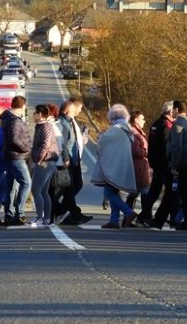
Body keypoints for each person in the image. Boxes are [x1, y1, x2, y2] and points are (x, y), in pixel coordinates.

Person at [92, 104, 137, 229]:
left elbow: (103, 142)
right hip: (121, 165)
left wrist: (100, 136)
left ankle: (128, 212)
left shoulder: (116, 129)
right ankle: (114, 220)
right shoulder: (125, 129)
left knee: (109, 193)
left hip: (113, 166)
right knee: (114, 192)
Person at [137, 102, 175, 229]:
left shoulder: (156, 123)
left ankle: (143, 216)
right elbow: (165, 147)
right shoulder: (166, 125)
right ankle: (168, 218)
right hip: (164, 165)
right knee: (169, 191)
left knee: (154, 191)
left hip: (156, 163)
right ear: (170, 112)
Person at [56, 96, 91, 225]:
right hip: (68, 160)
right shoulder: (63, 123)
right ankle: (72, 214)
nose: (78, 111)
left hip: (73, 158)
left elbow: (72, 140)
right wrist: (66, 159)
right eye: (78, 109)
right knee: (68, 189)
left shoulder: (70, 121)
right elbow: (63, 143)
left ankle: (65, 212)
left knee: (71, 188)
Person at [0, 95, 32, 225]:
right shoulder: (15, 120)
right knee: (26, 183)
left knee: (11, 187)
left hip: (9, 156)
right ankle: (20, 213)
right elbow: (14, 139)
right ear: (23, 106)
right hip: (16, 156)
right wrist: (26, 148)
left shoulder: (6, 118)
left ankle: (9, 214)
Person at [167, 100, 187, 231]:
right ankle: (186, 220)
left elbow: (176, 146)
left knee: (183, 193)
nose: (171, 112)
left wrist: (174, 165)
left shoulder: (178, 124)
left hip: (183, 162)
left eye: (172, 109)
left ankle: (186, 222)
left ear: (177, 110)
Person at [30, 104, 59, 227]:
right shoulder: (40, 126)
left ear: (40, 114)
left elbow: (45, 145)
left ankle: (40, 217)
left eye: (35, 113)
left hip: (45, 162)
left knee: (36, 190)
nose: (33, 115)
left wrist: (37, 159)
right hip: (44, 162)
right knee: (43, 191)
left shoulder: (46, 126)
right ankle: (46, 218)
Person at [126, 110, 150, 212]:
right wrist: (147, 152)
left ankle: (128, 215)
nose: (144, 121)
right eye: (142, 119)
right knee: (144, 190)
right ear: (136, 120)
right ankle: (144, 215)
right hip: (138, 167)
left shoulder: (137, 131)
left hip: (139, 167)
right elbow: (135, 151)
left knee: (135, 192)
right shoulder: (134, 133)